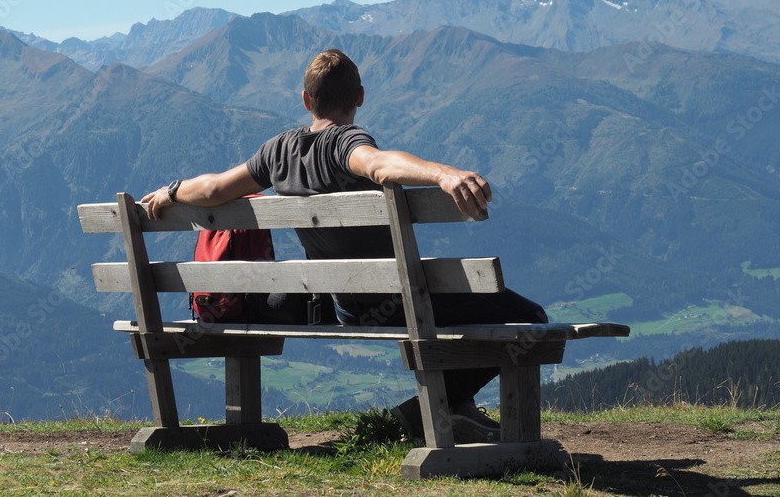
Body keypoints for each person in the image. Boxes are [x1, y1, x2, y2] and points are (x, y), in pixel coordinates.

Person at [142, 48, 546, 442]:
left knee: (475, 309)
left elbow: (213, 188)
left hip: (346, 307)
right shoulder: (344, 142)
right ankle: (433, 410)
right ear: (360, 97)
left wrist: (172, 191)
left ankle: (456, 407)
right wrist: (445, 174)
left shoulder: (276, 152)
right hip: (401, 304)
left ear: (306, 100)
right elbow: (379, 164)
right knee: (530, 318)